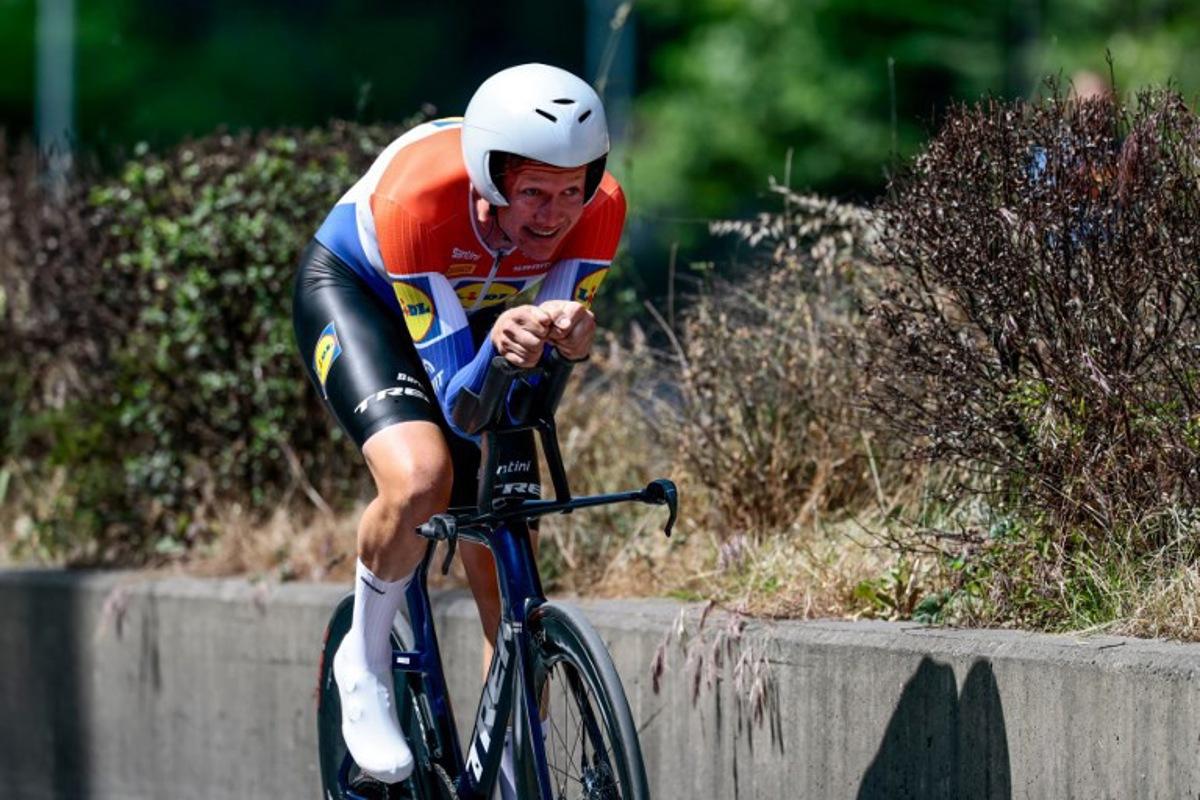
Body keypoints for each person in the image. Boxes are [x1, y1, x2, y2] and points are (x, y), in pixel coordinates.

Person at [292, 63, 626, 785]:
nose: (555, 213)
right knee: (423, 479)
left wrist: (569, 337)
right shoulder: (422, 199)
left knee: (507, 516)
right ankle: (367, 660)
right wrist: (507, 339)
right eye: (534, 192)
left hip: (473, 306)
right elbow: (459, 407)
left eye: (573, 190)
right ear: (488, 179)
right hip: (364, 298)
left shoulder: (601, 208)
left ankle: (510, 755)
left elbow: (535, 378)